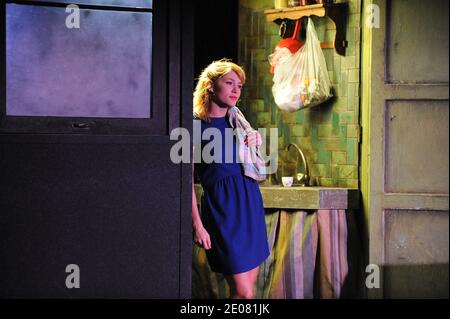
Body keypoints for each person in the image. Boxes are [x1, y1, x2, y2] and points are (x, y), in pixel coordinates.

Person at [192, 59, 270, 299]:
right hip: (222, 211)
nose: (236, 90)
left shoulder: (238, 122)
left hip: (250, 205)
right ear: (210, 86)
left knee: (247, 293)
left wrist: (255, 140)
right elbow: (181, 182)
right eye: (229, 83)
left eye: (239, 86)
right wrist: (197, 225)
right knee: (244, 292)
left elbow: (252, 163)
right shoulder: (193, 126)